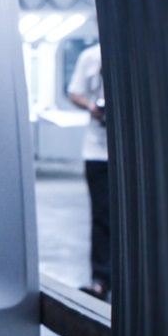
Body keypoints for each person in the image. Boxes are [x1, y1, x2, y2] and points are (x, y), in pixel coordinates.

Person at [67, 42, 111, 301]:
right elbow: (75, 92)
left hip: (134, 152)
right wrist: (92, 107)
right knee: (102, 216)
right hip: (98, 151)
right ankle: (102, 279)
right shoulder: (91, 56)